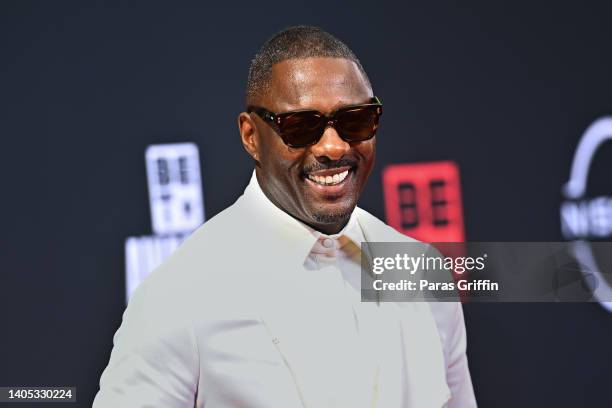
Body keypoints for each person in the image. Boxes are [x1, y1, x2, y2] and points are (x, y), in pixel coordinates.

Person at [93, 26, 477, 408]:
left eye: (356, 120)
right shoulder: (181, 296)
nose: (333, 146)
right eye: (301, 127)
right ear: (250, 135)